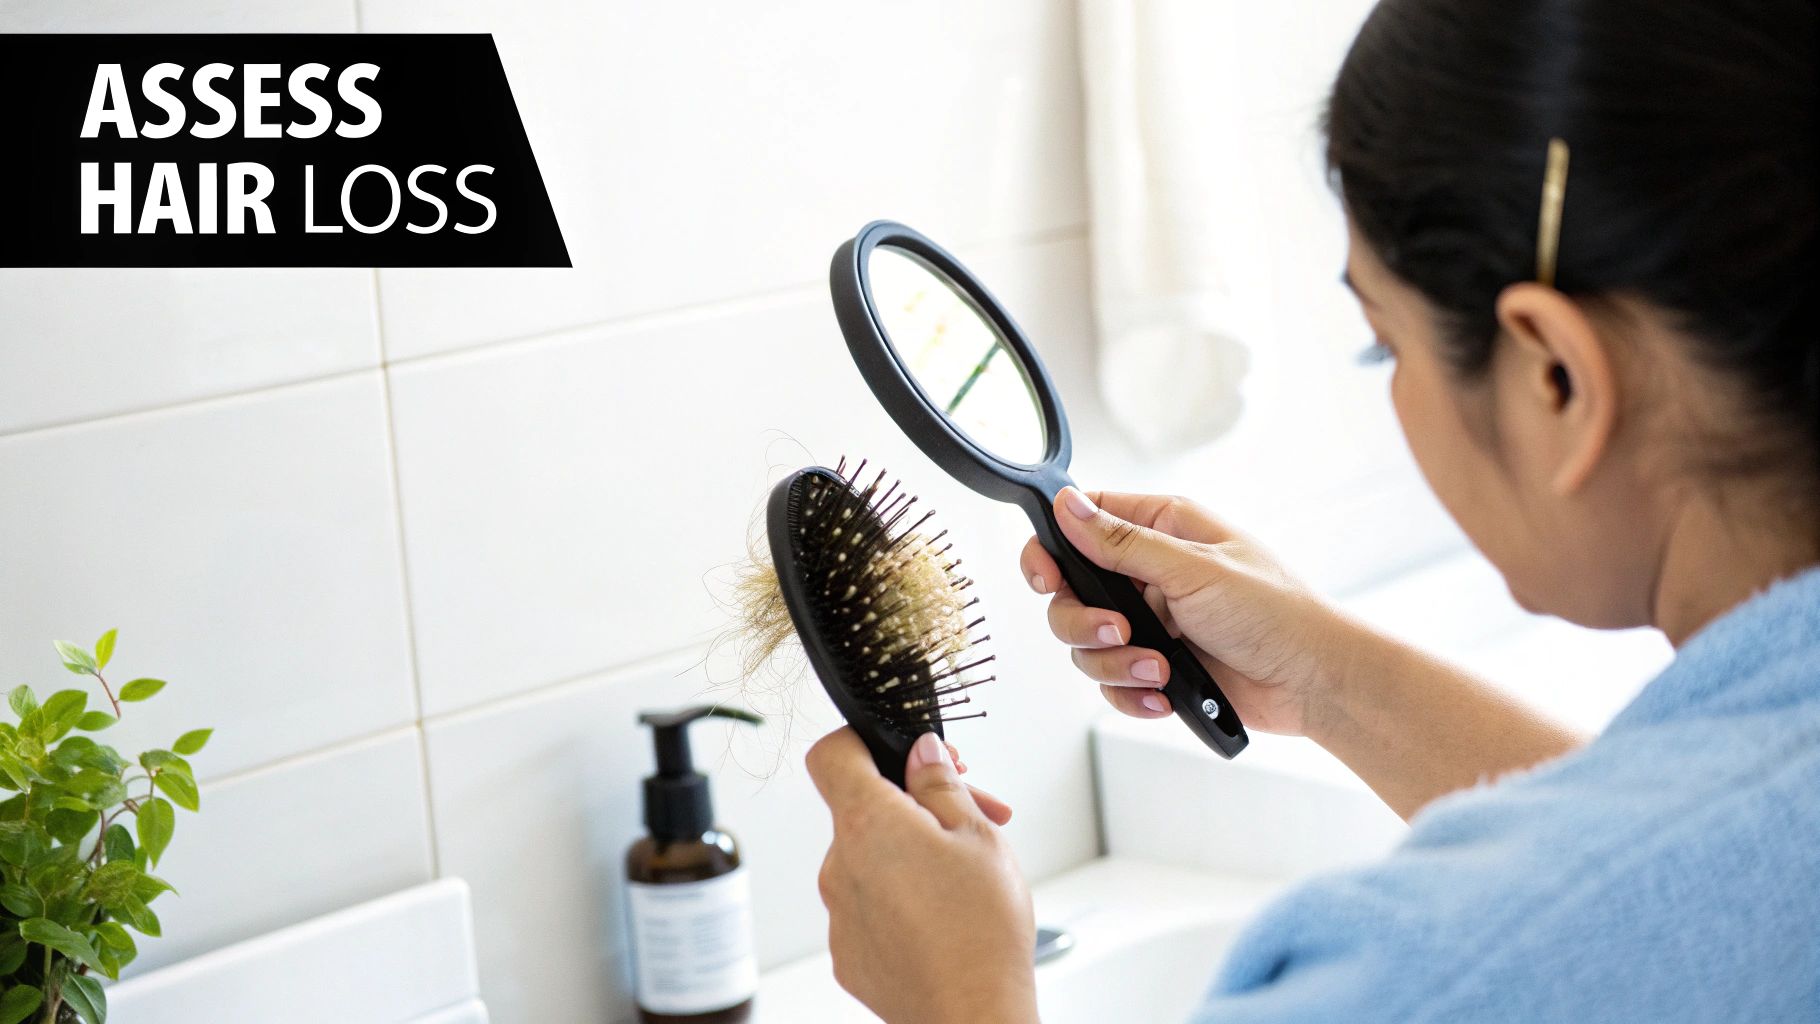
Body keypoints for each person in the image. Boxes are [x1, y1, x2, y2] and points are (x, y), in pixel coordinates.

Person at [805, 0, 1820, 1020]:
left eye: (1386, 344)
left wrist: (961, 991)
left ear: (1553, 376)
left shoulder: (1426, 972)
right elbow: (1686, 856)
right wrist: (1326, 679)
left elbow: (1596, 906)